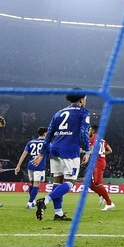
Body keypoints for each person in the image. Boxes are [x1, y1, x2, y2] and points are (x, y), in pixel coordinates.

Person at [40, 93, 88, 221]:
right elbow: (83, 133)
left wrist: (42, 152)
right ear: (81, 99)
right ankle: (45, 200)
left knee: (58, 181)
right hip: (70, 151)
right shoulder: (83, 112)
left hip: (55, 149)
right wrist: (87, 151)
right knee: (70, 183)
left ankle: (58, 213)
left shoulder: (59, 113)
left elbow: (49, 133)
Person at [86, 124, 116, 211]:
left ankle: (109, 203)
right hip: (99, 162)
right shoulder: (102, 140)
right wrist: (101, 154)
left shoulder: (91, 140)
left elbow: (88, 150)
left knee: (98, 183)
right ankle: (101, 195)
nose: (88, 132)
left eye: (89, 130)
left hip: (97, 163)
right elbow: (110, 150)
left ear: (93, 131)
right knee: (89, 183)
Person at [22, 127, 49, 210]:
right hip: (39, 165)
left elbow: (24, 154)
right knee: (36, 184)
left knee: (31, 184)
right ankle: (30, 203)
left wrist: (18, 166)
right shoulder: (46, 142)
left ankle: (32, 201)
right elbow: (52, 152)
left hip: (30, 165)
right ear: (45, 133)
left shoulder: (31, 142)